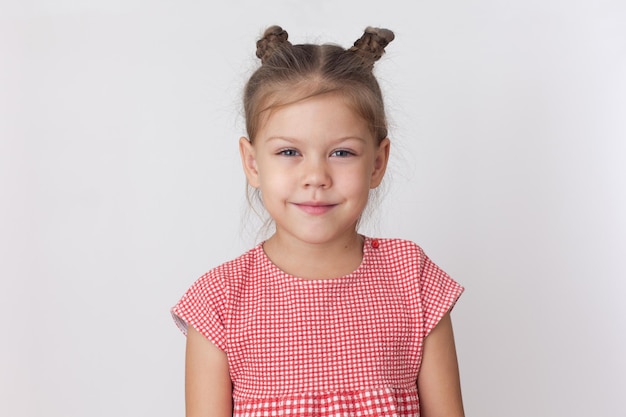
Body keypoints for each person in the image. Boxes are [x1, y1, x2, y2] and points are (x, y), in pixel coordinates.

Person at [171, 25, 465, 417]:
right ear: (252, 162)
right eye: (290, 151)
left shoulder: (413, 280)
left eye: (342, 153)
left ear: (377, 163)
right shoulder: (219, 302)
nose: (316, 176)